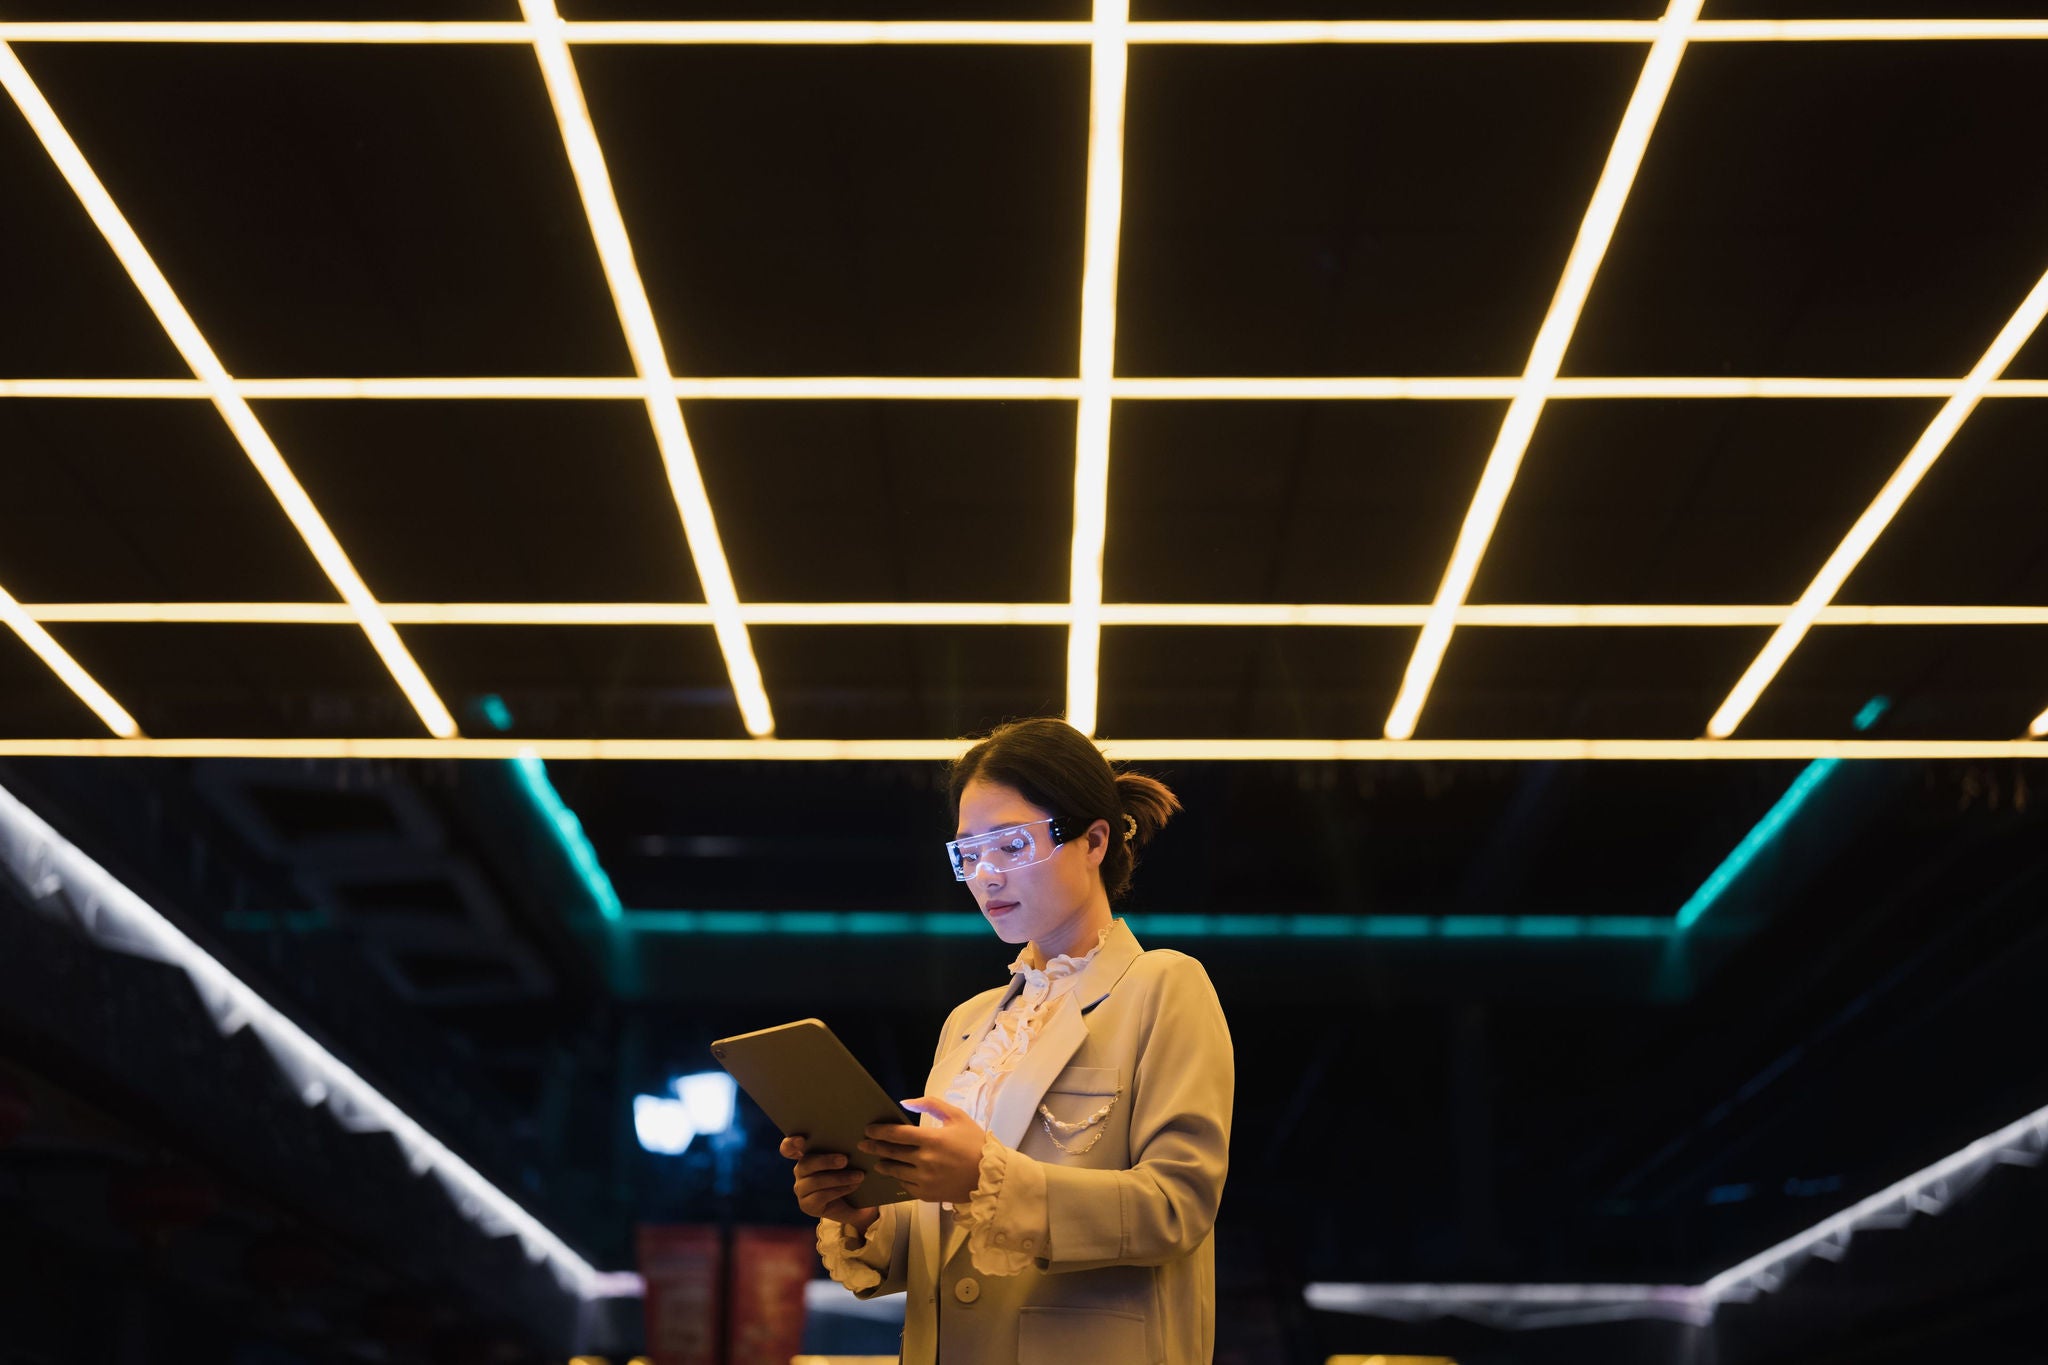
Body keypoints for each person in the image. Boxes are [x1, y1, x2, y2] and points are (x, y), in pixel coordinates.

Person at [778, 717, 1234, 1364]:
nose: (985, 876)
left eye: (1012, 846)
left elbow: (1178, 1204)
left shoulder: (1163, 987)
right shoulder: (967, 1025)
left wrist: (986, 1178)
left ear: (1094, 839)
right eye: (968, 853)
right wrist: (862, 1209)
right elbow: (948, 1243)